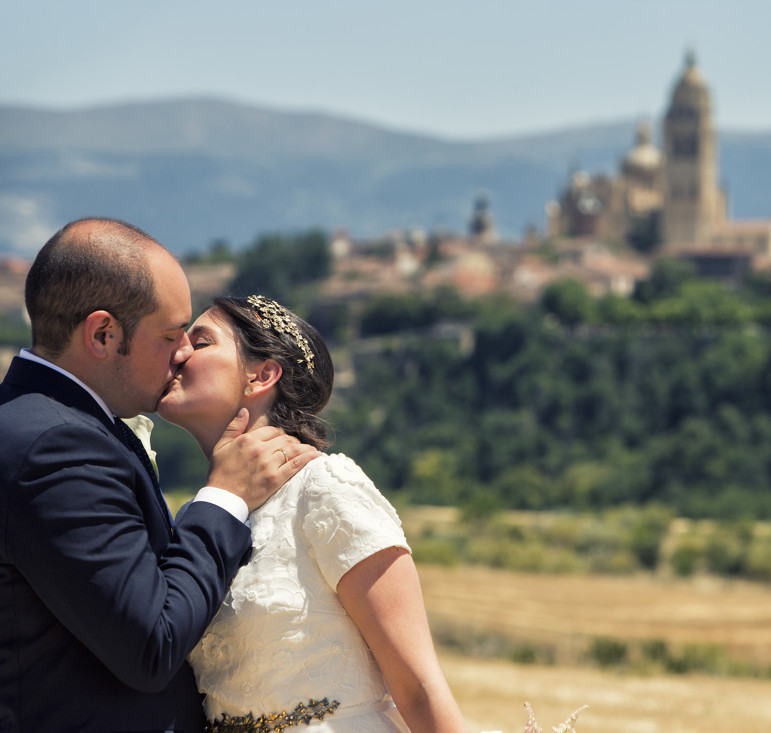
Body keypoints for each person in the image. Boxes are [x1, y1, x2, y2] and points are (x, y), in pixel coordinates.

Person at [0, 219, 320, 731]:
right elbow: (152, 643)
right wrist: (223, 497)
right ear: (103, 333)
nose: (183, 353)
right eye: (171, 334)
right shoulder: (56, 447)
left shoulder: (40, 422)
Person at [157, 294, 468, 733]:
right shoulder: (197, 514)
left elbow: (418, 687)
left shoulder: (325, 488)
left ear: (261, 375)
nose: (179, 353)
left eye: (201, 341)